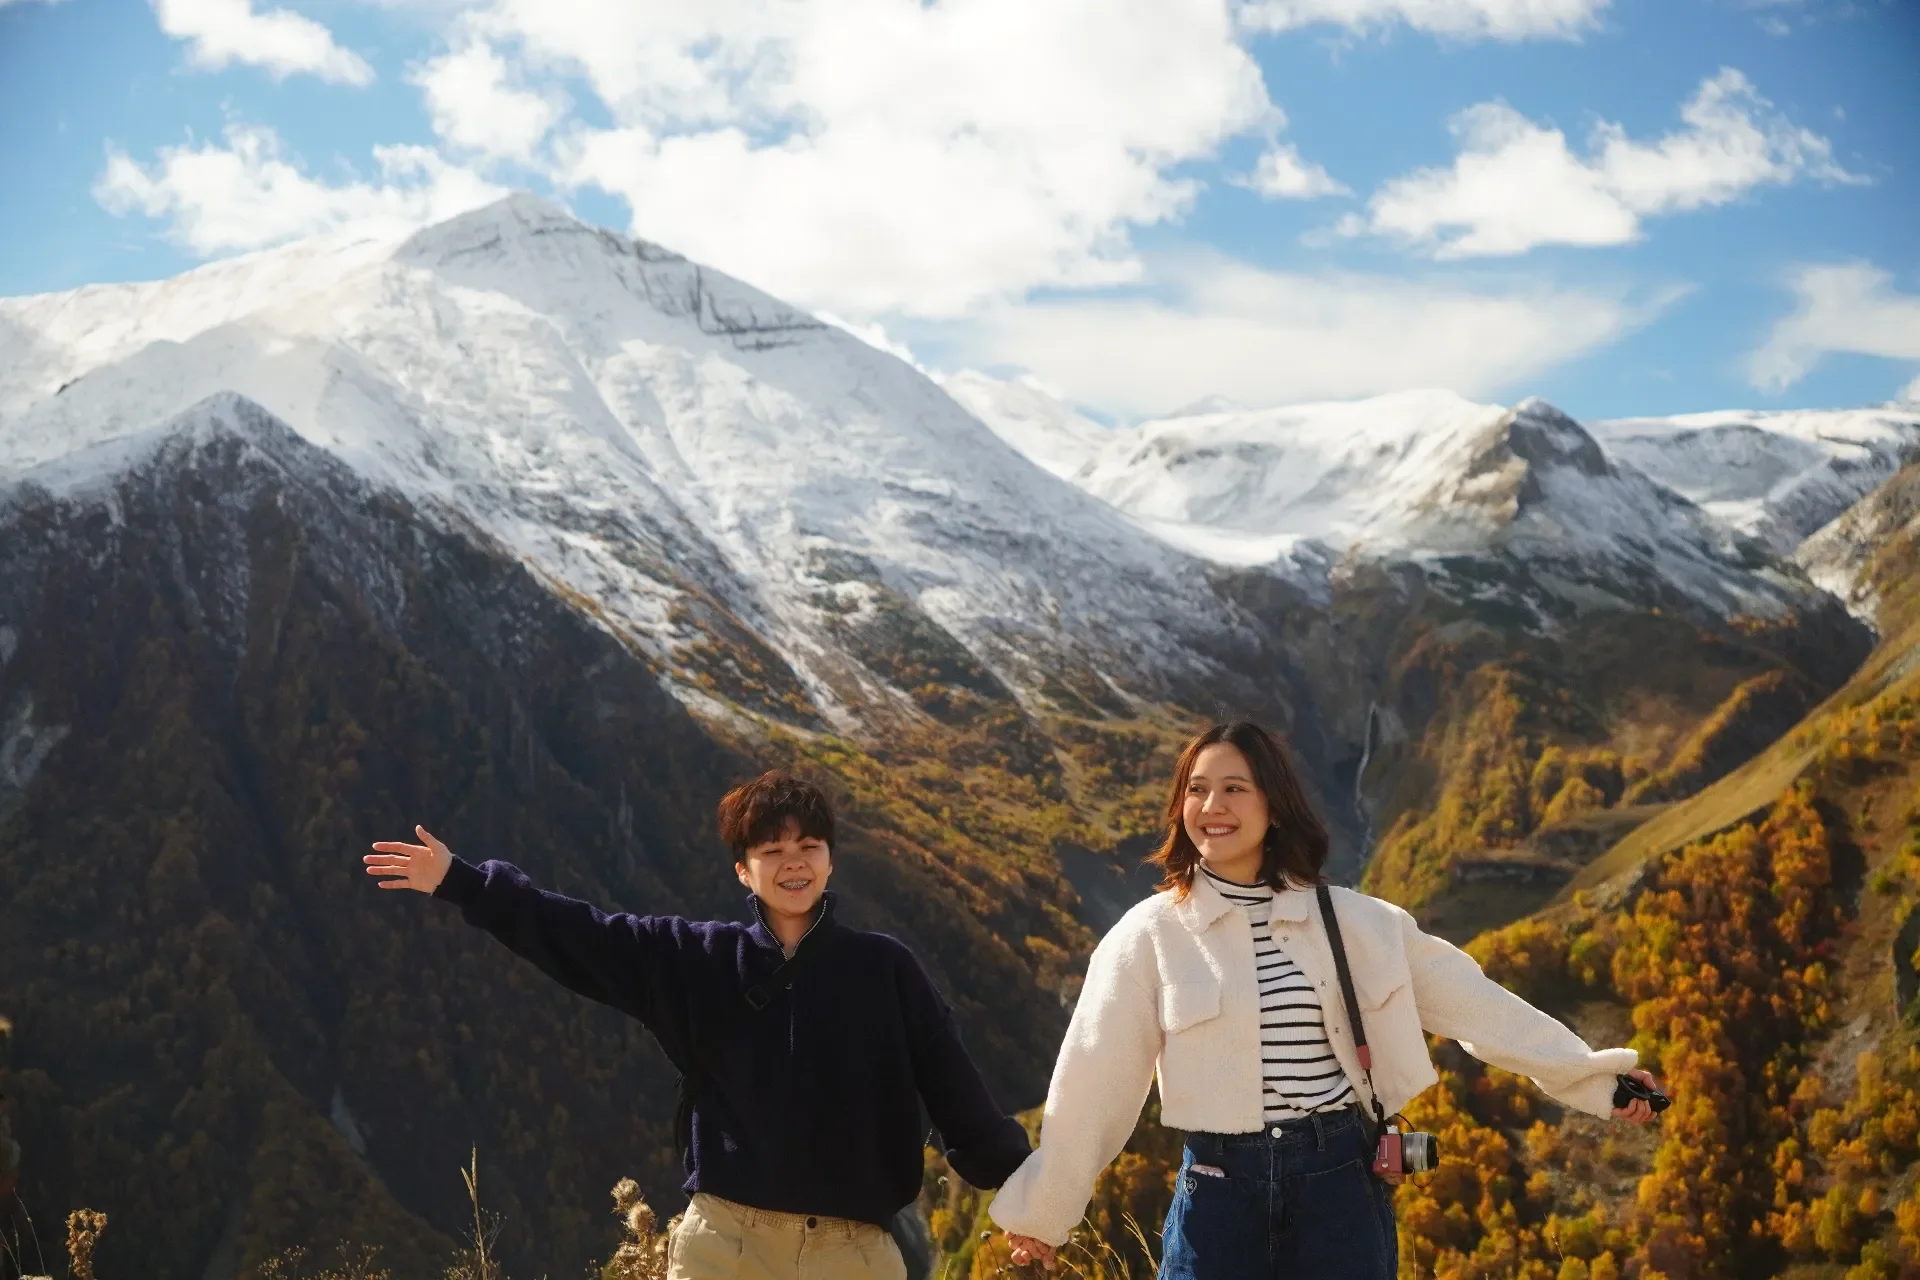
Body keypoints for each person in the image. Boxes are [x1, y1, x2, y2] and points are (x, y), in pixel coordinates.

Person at [989, 721, 1663, 1279]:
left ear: (1273, 805)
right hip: (1221, 1190)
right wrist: (1045, 1215)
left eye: (1233, 788)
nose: (1211, 806)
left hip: (1339, 1183)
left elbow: (1478, 1007)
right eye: (1196, 790)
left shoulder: (1356, 922)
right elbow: (1094, 1082)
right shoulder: (1150, 936)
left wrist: (1597, 1078)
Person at [366, 769, 1030, 1280]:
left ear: (830, 860)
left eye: (809, 844)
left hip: (850, 1254)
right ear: (744, 870)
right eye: (772, 848)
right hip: (724, 1246)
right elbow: (584, 938)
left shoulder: (886, 970)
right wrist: (465, 883)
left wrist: (1031, 1198)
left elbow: (956, 1096)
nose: (793, 860)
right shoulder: (698, 960)